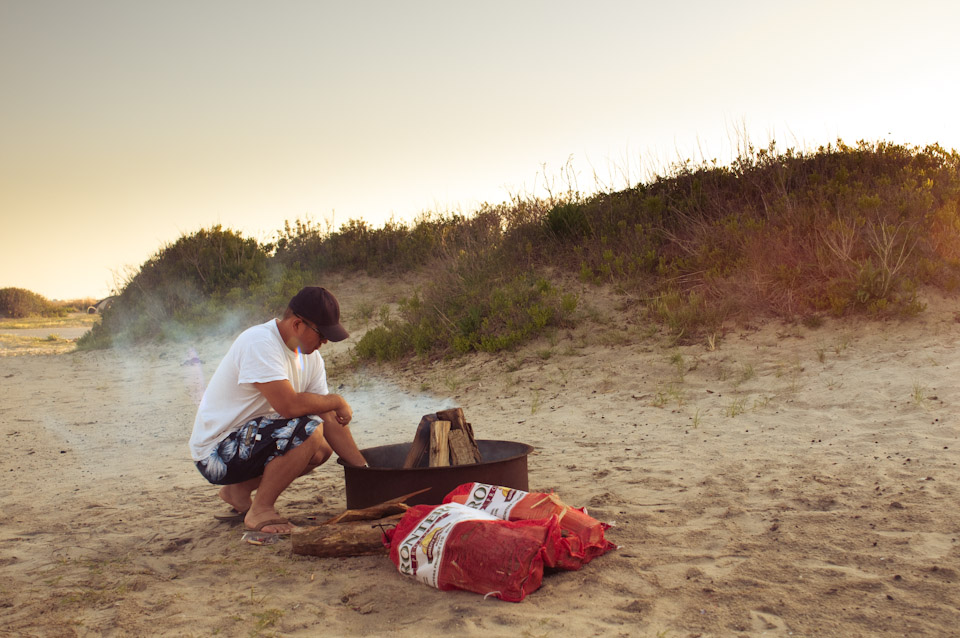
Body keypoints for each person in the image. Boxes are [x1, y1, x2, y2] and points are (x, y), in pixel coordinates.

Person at [189, 286, 366, 534]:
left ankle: (237, 492)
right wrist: (336, 400)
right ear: (297, 325)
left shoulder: (311, 358)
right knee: (308, 430)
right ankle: (260, 510)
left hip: (249, 441)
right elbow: (289, 406)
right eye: (321, 334)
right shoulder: (259, 342)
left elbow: (328, 417)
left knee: (321, 448)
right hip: (215, 452)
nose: (325, 342)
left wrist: (365, 472)